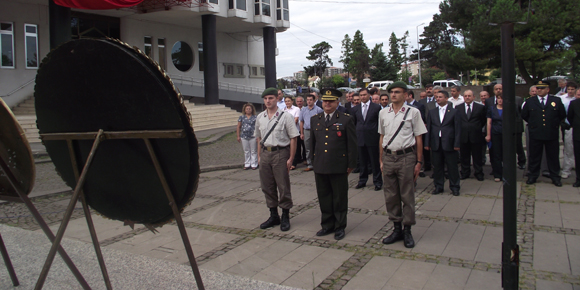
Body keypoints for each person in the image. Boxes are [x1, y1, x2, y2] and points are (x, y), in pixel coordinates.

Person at [379, 82, 427, 248]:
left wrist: (419, 162)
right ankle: (396, 228)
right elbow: (382, 137)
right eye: (391, 92)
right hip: (389, 157)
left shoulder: (413, 112)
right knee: (391, 195)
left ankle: (407, 230)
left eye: (397, 92)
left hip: (406, 157)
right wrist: (381, 160)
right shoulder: (383, 113)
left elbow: (419, 137)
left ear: (406, 95)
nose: (393, 95)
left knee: (407, 195)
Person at [310, 89, 357, 240]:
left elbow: (352, 144)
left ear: (338, 102)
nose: (327, 103)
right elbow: (313, 143)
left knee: (339, 197)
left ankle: (340, 226)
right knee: (324, 197)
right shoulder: (315, 119)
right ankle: (327, 225)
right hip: (321, 164)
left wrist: (351, 164)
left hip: (338, 164)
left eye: (331, 101)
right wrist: (313, 161)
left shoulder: (346, 119)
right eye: (325, 101)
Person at [255, 88, 299, 231]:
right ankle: (274, 215)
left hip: (280, 153)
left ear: (277, 99)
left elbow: (293, 138)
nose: (268, 101)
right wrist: (259, 156)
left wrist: (291, 158)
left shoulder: (285, 116)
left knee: (283, 186)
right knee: (267, 186)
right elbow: (259, 138)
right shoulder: (260, 117)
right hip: (265, 153)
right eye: (266, 98)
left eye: (271, 98)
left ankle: (285, 215)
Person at [521, 81, 567, 187]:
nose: (539, 90)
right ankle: (532, 175)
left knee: (553, 156)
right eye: (538, 88)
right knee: (534, 155)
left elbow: (561, 115)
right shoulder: (530, 101)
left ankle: (555, 176)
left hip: (551, 132)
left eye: (542, 88)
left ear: (548, 89)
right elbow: (525, 115)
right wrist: (534, 124)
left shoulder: (556, 100)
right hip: (536, 132)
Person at [425, 90, 461, 196]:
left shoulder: (454, 112)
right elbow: (429, 128)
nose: (438, 99)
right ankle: (438, 186)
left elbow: (457, 129)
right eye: (437, 97)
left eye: (440, 97)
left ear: (446, 98)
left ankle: (455, 187)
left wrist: (457, 144)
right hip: (436, 143)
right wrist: (427, 143)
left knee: (452, 167)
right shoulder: (432, 112)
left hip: (449, 143)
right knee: (437, 166)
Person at [352, 88, 383, 191]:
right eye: (361, 95)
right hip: (360, 139)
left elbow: (379, 123)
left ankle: (377, 182)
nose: (362, 97)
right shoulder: (355, 109)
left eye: (364, 95)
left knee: (374, 162)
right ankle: (362, 180)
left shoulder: (376, 108)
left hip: (373, 138)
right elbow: (355, 123)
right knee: (362, 162)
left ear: (369, 95)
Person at [456, 90, 486, 181]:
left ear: (473, 97)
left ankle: (478, 173)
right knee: (464, 156)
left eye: (469, 96)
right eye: (465, 96)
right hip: (463, 136)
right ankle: (465, 172)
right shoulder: (458, 107)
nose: (467, 97)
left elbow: (483, 120)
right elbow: (457, 121)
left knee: (477, 156)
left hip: (476, 136)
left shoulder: (480, 107)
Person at [300, 94, 324, 172]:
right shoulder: (303, 110)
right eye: (307, 100)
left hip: (316, 130)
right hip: (306, 130)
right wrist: (302, 133)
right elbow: (301, 121)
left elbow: (322, 121)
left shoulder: (319, 110)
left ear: (314, 100)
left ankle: (318, 163)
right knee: (307, 148)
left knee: (317, 147)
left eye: (310, 100)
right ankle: (310, 164)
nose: (309, 101)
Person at [559, 81, 577, 179]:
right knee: (568, 148)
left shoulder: (577, 99)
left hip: (576, 125)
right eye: (568, 89)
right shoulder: (562, 99)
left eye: (572, 89)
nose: (570, 91)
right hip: (567, 125)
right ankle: (566, 169)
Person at [486, 95, 504, 182]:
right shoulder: (492, 108)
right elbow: (489, 122)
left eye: (501, 99)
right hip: (495, 133)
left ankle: (507, 173)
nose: (500, 100)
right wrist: (488, 135)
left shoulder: (508, 108)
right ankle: (497, 174)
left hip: (505, 134)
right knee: (496, 154)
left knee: (506, 154)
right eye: (498, 98)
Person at [237, 103, 258, 170]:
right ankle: (247, 163)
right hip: (244, 136)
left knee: (253, 150)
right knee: (246, 150)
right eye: (247, 109)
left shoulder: (255, 117)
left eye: (249, 109)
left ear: (252, 110)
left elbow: (257, 127)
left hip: (253, 136)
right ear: (244, 110)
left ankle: (254, 163)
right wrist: (238, 136)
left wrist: (258, 136)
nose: (248, 110)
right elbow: (239, 127)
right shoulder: (241, 117)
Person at [566, 88, 580, 187]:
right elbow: (570, 117)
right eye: (578, 94)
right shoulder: (574, 104)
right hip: (578, 134)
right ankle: (578, 179)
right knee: (578, 157)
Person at [284, 96, 301, 170]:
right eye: (286, 101)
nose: (287, 102)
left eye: (288, 101)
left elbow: (296, 120)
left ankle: (294, 163)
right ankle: (287, 162)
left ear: (292, 101)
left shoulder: (296, 109)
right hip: (285, 132)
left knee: (295, 148)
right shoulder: (283, 110)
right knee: (287, 148)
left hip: (294, 131)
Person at [294, 96, 306, 164]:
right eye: (298, 101)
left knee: (304, 145)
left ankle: (305, 158)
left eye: (300, 101)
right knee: (297, 145)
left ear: (303, 102)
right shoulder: (295, 109)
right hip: (296, 130)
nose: (299, 103)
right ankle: (298, 158)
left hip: (303, 129)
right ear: (296, 102)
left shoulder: (305, 109)